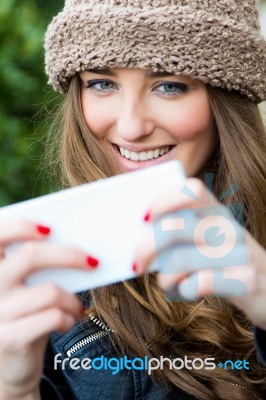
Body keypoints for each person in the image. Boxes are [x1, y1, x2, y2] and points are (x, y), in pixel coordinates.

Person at [0, 0, 266, 399]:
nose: (131, 126)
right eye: (102, 83)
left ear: (225, 98)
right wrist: (14, 388)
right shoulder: (38, 275)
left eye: (169, 85)